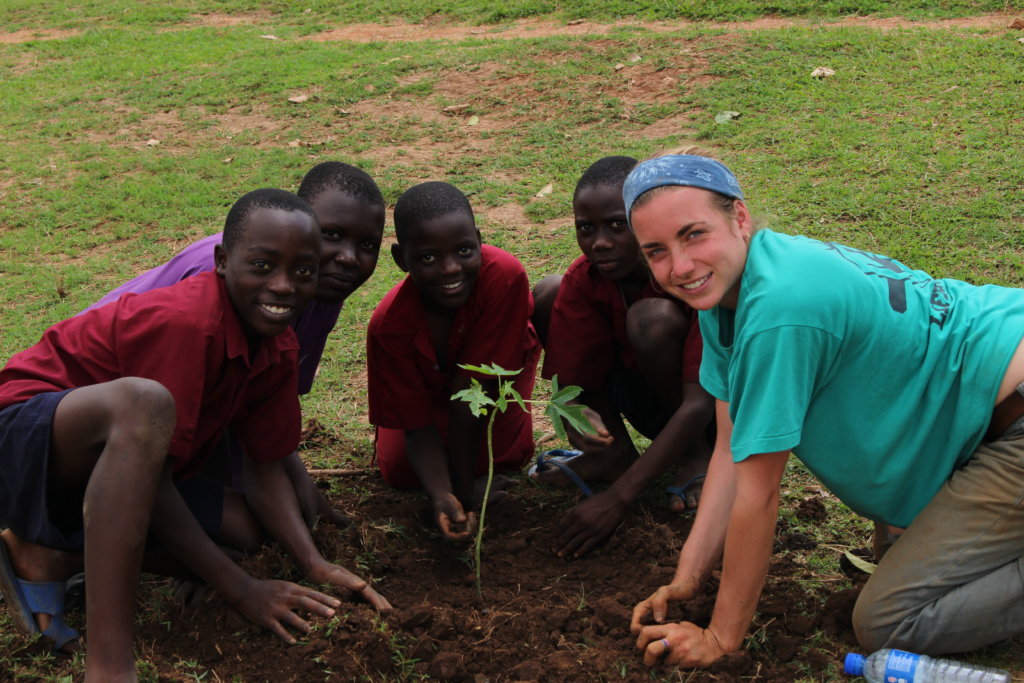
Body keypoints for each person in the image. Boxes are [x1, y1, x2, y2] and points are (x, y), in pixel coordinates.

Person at [624, 154, 1024, 669]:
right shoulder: (730, 294)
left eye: (694, 235)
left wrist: (721, 639)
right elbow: (728, 444)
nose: (679, 266)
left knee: (889, 620)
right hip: (983, 429)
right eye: (656, 251)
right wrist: (689, 577)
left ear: (740, 218)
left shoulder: (780, 310)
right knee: (899, 563)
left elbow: (759, 490)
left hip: (1013, 422)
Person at [0, 189, 389, 682]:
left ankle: (50, 554)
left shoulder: (278, 344)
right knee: (145, 402)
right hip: (25, 443)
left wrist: (312, 563)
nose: (284, 286)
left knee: (246, 531)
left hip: (112, 471)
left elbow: (265, 466)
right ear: (223, 261)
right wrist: (241, 589)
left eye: (303, 272)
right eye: (264, 266)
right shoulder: (189, 321)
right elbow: (151, 476)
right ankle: (110, 664)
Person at [84, 161, 386, 527]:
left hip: (166, 417)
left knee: (255, 520)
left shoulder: (319, 287)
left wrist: (300, 483)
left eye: (367, 244)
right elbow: (200, 406)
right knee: (238, 522)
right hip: (91, 412)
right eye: (331, 234)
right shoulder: (227, 281)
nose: (348, 258)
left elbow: (262, 398)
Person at [531, 156, 713, 559]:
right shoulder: (588, 278)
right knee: (549, 292)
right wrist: (580, 417)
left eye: (617, 225)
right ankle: (611, 455)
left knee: (651, 318)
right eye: (585, 228)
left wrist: (618, 499)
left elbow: (701, 401)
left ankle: (696, 455)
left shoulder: (687, 273)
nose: (599, 242)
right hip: (645, 401)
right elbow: (571, 386)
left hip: (710, 412)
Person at [366, 181, 540, 542]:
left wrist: (464, 493)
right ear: (402, 259)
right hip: (432, 407)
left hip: (490, 395)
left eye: (463, 250)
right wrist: (444, 497)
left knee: (505, 456)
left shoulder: (503, 276)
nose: (450, 269)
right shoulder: (389, 326)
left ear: (478, 240)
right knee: (400, 470)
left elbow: (473, 394)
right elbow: (416, 425)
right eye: (428, 258)